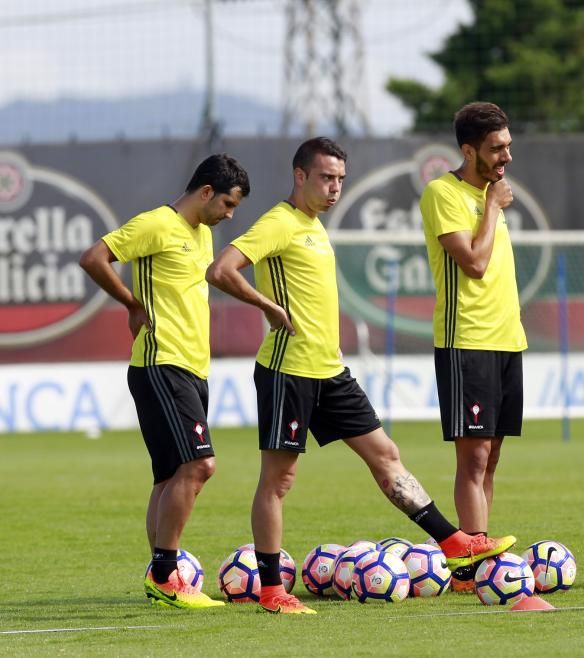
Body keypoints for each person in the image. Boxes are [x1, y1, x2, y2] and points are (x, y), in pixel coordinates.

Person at [205, 136, 516, 615]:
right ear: (300, 176)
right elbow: (221, 269)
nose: (334, 189)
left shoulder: (313, 225)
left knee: (386, 456)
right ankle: (271, 590)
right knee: (279, 480)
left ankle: (454, 543)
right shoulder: (280, 222)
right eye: (326, 178)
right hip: (289, 372)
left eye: (340, 180)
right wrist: (266, 305)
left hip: (331, 371)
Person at [79, 154, 250, 608]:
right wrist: (132, 304)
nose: (230, 215)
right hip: (162, 365)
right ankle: (164, 577)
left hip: (193, 368)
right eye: (228, 204)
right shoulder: (157, 223)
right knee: (200, 466)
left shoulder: (205, 235)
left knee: (169, 475)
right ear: (207, 191)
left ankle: (161, 574)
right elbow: (94, 257)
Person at [418, 102, 527, 592]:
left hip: (507, 339)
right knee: (473, 457)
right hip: (468, 341)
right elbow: (474, 265)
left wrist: (491, 203)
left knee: (493, 455)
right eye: (495, 148)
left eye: (507, 145)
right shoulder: (443, 193)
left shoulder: (490, 195)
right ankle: (472, 557)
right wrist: (491, 207)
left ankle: (478, 558)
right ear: (468, 150)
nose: (506, 156)